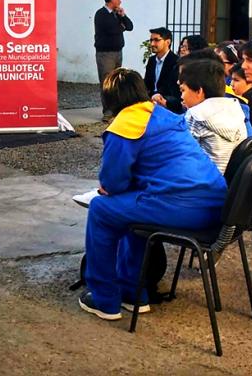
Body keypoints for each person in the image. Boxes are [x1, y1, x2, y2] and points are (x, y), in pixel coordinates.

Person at [79, 68, 226, 321]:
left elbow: (112, 182)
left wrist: (110, 189)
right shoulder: (162, 115)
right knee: (132, 210)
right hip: (214, 205)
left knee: (102, 209)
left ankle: (104, 299)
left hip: (180, 207)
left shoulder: (126, 124)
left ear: (110, 99)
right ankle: (134, 292)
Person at [180, 59, 247, 174]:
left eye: (183, 90)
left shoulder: (196, 115)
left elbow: (180, 155)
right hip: (225, 182)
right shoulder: (235, 109)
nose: (181, 96)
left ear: (199, 91)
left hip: (199, 182)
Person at [94, 0, 134, 119]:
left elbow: (129, 26)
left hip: (118, 52)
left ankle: (116, 108)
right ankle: (108, 111)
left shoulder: (116, 14)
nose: (120, 1)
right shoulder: (101, 14)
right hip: (105, 54)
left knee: (116, 82)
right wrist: (120, 26)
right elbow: (113, 30)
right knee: (106, 82)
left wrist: (123, 16)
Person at [143, 27, 181, 114]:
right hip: (152, 98)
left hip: (167, 99)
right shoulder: (152, 60)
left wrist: (157, 96)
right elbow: (147, 83)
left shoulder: (176, 61)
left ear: (168, 42)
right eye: (151, 40)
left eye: (156, 40)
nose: (152, 44)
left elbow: (172, 87)